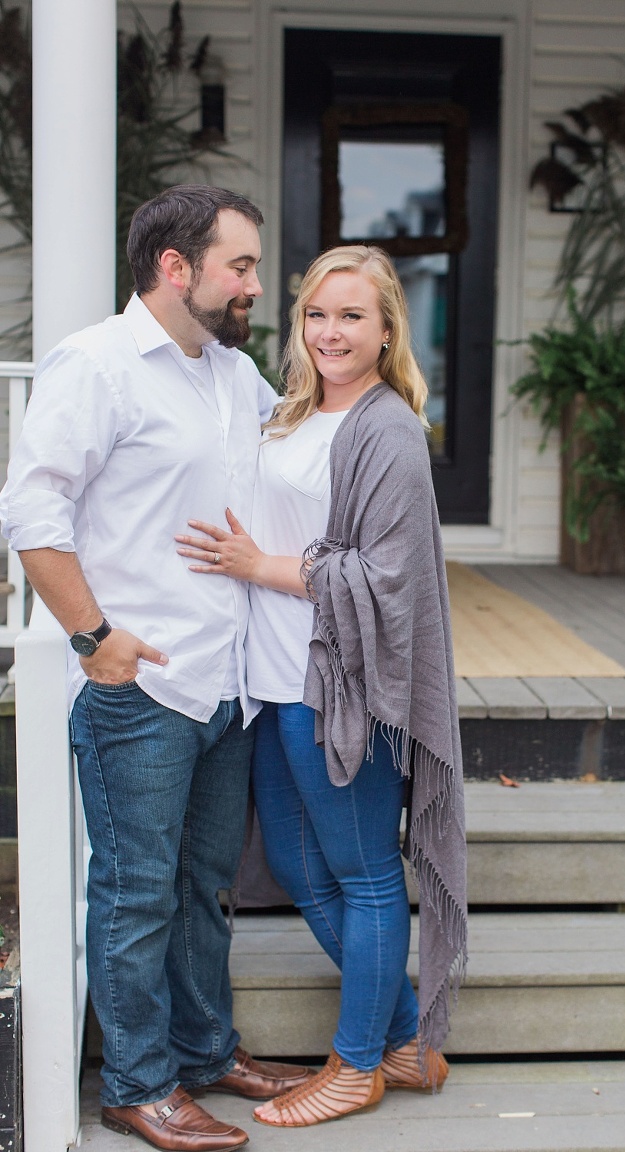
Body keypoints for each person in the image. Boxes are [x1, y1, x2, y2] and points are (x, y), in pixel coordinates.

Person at [0, 185, 315, 1152]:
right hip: (141, 686)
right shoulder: (96, 365)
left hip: (226, 682)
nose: (255, 284)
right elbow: (32, 512)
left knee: (205, 885)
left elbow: (297, 453)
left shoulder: (233, 373)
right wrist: (94, 637)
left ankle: (205, 1051)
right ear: (176, 268)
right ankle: (138, 1086)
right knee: (138, 891)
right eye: (241, 265)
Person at [174, 244, 468, 1129]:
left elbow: (387, 576)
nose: (330, 332)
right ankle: (406, 1040)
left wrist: (260, 565)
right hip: (273, 679)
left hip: (341, 686)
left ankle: (354, 1066)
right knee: (301, 867)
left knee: (367, 875)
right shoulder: (291, 411)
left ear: (386, 330)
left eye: (351, 317)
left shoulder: (387, 430)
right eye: (316, 314)